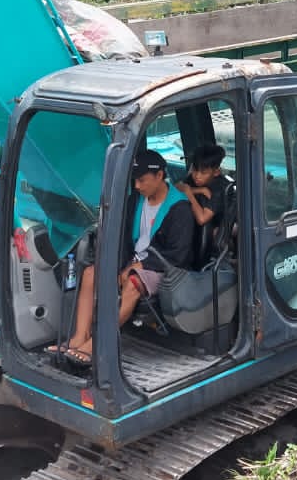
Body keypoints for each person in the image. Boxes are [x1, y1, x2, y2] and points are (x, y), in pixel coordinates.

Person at [54, 148, 197, 374]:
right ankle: (79, 336)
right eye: (135, 181)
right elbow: (123, 240)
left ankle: (97, 344)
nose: (137, 186)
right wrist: (116, 264)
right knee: (91, 273)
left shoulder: (180, 210)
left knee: (132, 282)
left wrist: (140, 265)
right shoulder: (136, 201)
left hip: (164, 269)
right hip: (133, 262)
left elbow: (179, 255)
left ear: (160, 175)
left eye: (142, 180)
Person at [175, 142, 233, 256]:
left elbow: (202, 219)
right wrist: (198, 190)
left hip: (222, 226)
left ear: (216, 172)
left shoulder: (219, 188)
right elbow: (177, 187)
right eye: (195, 170)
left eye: (203, 172)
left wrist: (188, 192)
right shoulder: (194, 179)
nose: (197, 176)